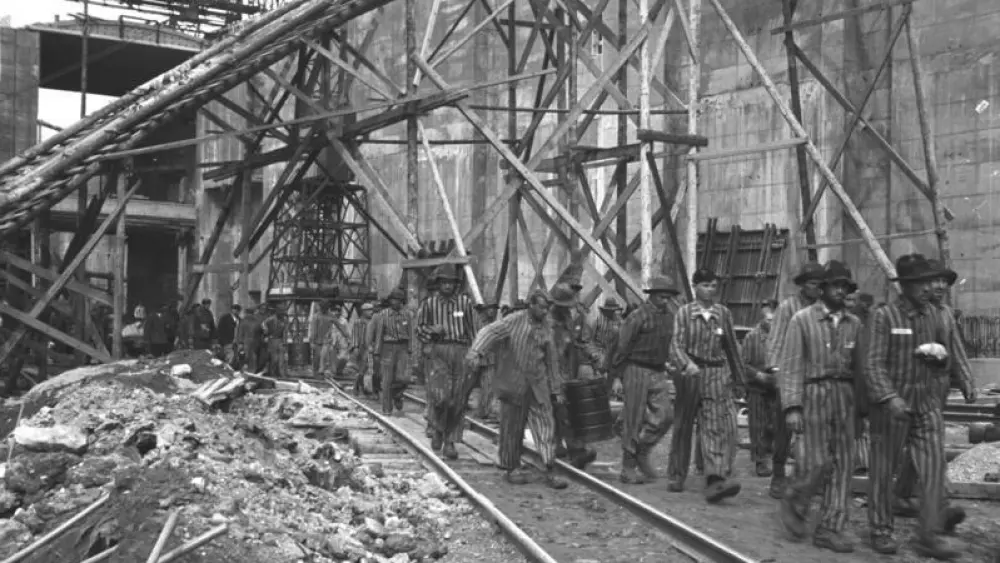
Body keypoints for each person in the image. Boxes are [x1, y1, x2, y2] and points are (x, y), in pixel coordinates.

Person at [865, 254, 969, 559]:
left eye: (929, 282)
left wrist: (941, 360)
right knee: (883, 472)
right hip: (891, 408)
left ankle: (930, 535)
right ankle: (881, 530)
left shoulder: (935, 316)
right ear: (906, 286)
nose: (927, 288)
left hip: (926, 404)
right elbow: (872, 365)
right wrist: (889, 397)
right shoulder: (884, 317)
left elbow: (945, 359)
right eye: (920, 283)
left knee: (934, 469)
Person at [777, 261, 863, 553]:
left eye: (845, 287)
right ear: (822, 289)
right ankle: (797, 498)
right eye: (835, 286)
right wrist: (792, 406)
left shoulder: (854, 324)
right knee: (815, 462)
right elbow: (790, 366)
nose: (841, 291)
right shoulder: (802, 320)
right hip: (814, 393)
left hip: (845, 395)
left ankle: (830, 527)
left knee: (843, 464)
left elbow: (861, 369)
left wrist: (861, 410)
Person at [891, 259, 974, 536]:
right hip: (910, 389)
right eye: (934, 281)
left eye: (943, 282)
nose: (939, 286)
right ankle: (932, 506)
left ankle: (909, 498)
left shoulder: (946, 314)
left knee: (926, 445)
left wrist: (966, 381)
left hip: (937, 389)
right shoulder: (911, 313)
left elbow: (956, 349)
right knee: (923, 447)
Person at [466, 289, 567, 489]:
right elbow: (489, 331)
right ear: (531, 305)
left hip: (537, 385)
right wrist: (476, 351)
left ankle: (549, 468)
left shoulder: (547, 328)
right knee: (512, 427)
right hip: (513, 383)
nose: (545, 312)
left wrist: (556, 388)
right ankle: (511, 467)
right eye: (541, 307)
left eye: (547, 308)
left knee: (546, 424)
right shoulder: (513, 321)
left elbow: (551, 360)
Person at [667, 268, 743, 503]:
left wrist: (739, 378)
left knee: (715, 426)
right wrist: (686, 364)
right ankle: (677, 474)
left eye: (713, 285)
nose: (710, 290)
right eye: (705, 285)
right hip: (691, 374)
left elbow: (731, 347)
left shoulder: (723, 314)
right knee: (683, 424)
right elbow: (676, 345)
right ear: (695, 286)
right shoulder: (684, 313)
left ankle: (715, 479)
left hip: (716, 374)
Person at [608, 276, 679, 484]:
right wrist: (617, 376)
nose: (666, 301)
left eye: (668, 298)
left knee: (665, 415)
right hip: (636, 369)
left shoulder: (670, 317)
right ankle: (627, 467)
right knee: (634, 418)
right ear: (653, 296)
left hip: (658, 370)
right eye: (662, 297)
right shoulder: (637, 317)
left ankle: (642, 451)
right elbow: (622, 346)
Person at [766, 261, 824, 498]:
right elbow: (776, 340)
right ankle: (778, 474)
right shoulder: (788, 308)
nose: (817, 288)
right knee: (783, 430)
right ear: (802, 285)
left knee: (813, 430)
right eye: (812, 283)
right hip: (790, 375)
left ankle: (807, 477)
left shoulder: (822, 308)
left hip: (814, 379)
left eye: (821, 284)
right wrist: (776, 371)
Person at [416, 264, 481, 459]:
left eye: (450, 283)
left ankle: (450, 441)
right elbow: (419, 328)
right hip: (439, 351)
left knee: (458, 400)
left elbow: (473, 329)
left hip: (461, 351)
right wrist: (430, 331)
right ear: (438, 284)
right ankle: (437, 428)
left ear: (455, 285)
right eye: (443, 282)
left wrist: (475, 352)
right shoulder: (429, 304)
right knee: (441, 396)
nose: (447, 286)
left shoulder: (464, 304)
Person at [549, 283, 604, 469]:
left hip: (565, 370)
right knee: (561, 410)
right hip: (548, 373)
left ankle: (559, 446)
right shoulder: (547, 322)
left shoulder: (569, 319)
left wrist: (596, 357)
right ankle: (576, 450)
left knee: (561, 409)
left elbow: (582, 341)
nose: (567, 309)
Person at [740, 299, 779, 477]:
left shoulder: (783, 336)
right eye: (768, 319)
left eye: (774, 319)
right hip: (757, 388)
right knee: (757, 427)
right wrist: (759, 376)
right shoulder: (752, 338)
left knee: (773, 425)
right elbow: (743, 364)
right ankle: (760, 460)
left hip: (776, 387)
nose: (771, 323)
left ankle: (771, 455)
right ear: (762, 318)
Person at [369, 288, 414, 415]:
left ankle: (397, 394)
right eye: (393, 299)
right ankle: (386, 409)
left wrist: (411, 350)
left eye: (398, 300)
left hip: (403, 348)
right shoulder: (383, 314)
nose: (396, 302)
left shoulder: (407, 315)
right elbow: (379, 334)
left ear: (402, 301)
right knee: (387, 380)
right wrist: (377, 352)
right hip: (387, 347)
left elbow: (411, 333)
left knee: (403, 377)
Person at [473, 303, 501, 420]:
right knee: (485, 385)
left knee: (488, 385)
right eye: (490, 309)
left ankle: (484, 410)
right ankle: (482, 410)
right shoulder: (480, 324)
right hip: (481, 358)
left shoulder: (495, 324)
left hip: (490, 359)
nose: (492, 312)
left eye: (494, 309)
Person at [593, 298, 624, 397]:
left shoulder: (620, 324)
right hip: (601, 355)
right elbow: (591, 340)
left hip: (613, 358)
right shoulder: (597, 320)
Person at [351, 302, 375, 397]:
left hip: (370, 348)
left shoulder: (373, 322)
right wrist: (355, 347)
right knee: (361, 369)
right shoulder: (358, 322)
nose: (371, 312)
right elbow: (355, 335)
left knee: (369, 369)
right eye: (369, 310)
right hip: (361, 348)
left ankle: (365, 388)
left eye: (371, 310)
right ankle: (358, 386)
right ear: (363, 311)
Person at [262, 303, 288, 379]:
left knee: (281, 359)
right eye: (281, 312)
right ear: (277, 311)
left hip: (280, 340)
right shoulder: (271, 319)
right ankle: (273, 374)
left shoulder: (284, 320)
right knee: (274, 359)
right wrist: (266, 331)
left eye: (283, 312)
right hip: (272, 340)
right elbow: (263, 324)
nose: (282, 314)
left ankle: (282, 375)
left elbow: (285, 332)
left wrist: (285, 342)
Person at [309, 302, 335, 378]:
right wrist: (312, 341)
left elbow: (330, 328)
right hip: (318, 341)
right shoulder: (316, 316)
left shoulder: (329, 316)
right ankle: (316, 374)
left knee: (323, 358)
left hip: (325, 341)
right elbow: (313, 331)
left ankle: (321, 373)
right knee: (317, 357)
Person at [236, 306, 263, 372]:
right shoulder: (257, 322)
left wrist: (240, 343)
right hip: (255, 342)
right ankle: (252, 371)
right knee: (253, 357)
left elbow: (240, 332)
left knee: (243, 357)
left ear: (246, 313)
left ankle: (244, 371)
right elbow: (261, 332)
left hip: (245, 342)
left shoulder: (243, 321)